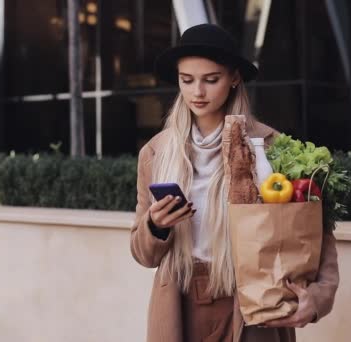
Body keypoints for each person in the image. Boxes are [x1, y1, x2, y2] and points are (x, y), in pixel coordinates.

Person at [130, 23, 339, 342]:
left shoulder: (271, 146)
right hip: (181, 305)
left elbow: (315, 232)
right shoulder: (156, 153)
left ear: (234, 78)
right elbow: (143, 254)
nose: (197, 92)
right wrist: (156, 226)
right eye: (187, 80)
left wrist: (318, 297)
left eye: (211, 80)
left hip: (254, 304)